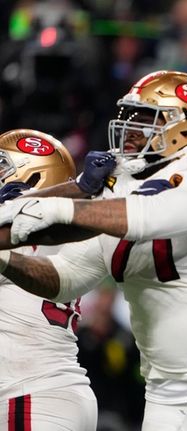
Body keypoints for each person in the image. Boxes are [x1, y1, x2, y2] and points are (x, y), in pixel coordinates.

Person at [0, 71, 187, 430]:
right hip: (166, 388)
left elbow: (153, 215)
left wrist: (63, 206)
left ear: (186, 127)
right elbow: (65, 279)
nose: (130, 127)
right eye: (128, 116)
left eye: (145, 118)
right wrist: (5, 258)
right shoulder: (117, 186)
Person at [0, 129, 98, 430]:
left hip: (29, 393)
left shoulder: (20, 229)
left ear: (32, 177)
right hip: (47, 391)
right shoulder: (57, 227)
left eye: (3, 166)